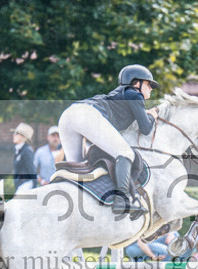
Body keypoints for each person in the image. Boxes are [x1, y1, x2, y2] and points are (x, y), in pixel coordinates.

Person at [58, 64, 160, 215]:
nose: (151, 88)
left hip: (68, 115)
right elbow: (145, 129)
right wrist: (151, 115)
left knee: (77, 170)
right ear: (136, 83)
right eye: (148, 84)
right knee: (126, 154)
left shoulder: (121, 96)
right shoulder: (134, 94)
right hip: (87, 115)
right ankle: (122, 199)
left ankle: (67, 201)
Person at [10, 123, 37, 191]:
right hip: (20, 185)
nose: (14, 135)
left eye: (17, 133)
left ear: (24, 137)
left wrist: (34, 186)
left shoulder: (27, 151)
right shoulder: (18, 150)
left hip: (26, 185)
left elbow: (31, 170)